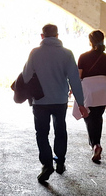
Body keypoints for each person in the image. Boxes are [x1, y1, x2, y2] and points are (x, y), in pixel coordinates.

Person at [22, 24, 88, 184]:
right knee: (60, 129)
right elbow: (74, 79)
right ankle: (60, 161)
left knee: (42, 133)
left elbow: (25, 76)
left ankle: (46, 164)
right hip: (60, 99)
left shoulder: (35, 53)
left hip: (40, 101)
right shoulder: (67, 53)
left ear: (42, 36)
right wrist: (81, 103)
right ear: (58, 36)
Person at [75, 30, 106, 164]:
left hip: (89, 89)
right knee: (97, 116)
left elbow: (78, 77)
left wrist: (73, 90)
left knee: (89, 117)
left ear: (90, 42)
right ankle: (96, 144)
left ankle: (95, 144)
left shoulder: (83, 57)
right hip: (103, 89)